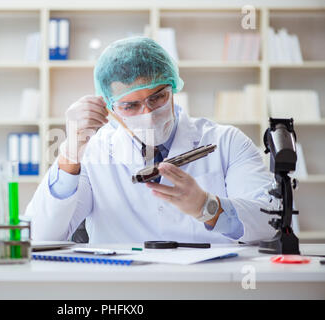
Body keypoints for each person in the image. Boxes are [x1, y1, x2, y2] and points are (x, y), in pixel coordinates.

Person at [24, 36, 278, 244]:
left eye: (157, 98)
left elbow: (270, 223)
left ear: (173, 88)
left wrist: (208, 207)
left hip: (209, 283)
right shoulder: (95, 151)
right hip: (123, 286)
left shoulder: (227, 142)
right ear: (109, 107)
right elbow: (41, 236)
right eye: (131, 105)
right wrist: (70, 153)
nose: (147, 114)